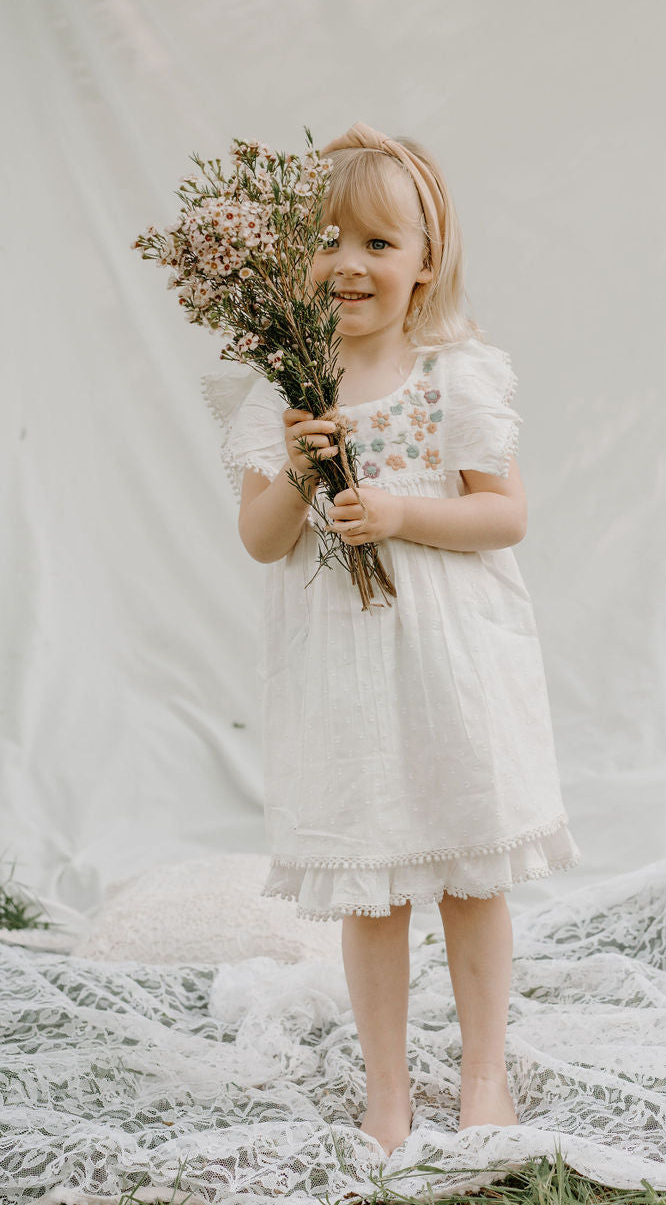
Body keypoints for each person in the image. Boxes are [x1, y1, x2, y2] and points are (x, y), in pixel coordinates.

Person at [200, 120, 581, 1157]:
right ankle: (385, 1088)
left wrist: (404, 513)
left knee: (469, 869)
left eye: (378, 242)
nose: (349, 263)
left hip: (451, 658)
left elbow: (502, 514)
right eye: (326, 238)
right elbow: (262, 539)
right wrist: (293, 466)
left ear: (424, 261)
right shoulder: (281, 389)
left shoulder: (453, 374)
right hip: (343, 672)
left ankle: (485, 1067)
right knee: (373, 880)